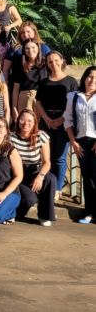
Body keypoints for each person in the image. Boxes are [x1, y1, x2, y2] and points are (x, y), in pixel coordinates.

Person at [35, 51, 77, 197]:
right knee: (46, 157)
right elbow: (38, 103)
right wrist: (46, 119)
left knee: (59, 157)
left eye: (56, 60)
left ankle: (57, 189)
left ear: (62, 60)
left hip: (64, 123)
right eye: (50, 61)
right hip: (46, 122)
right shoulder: (43, 82)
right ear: (47, 64)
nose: (54, 63)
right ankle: (46, 186)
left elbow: (74, 104)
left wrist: (61, 119)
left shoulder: (71, 82)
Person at [10, 109, 57, 226]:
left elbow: (47, 162)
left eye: (29, 120)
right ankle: (14, 212)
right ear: (17, 121)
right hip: (18, 173)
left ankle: (45, 215)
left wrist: (40, 177)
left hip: (34, 170)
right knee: (30, 199)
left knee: (50, 179)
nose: (26, 123)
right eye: (22, 120)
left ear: (35, 122)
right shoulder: (11, 137)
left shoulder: (41, 136)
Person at [64, 66, 96, 224]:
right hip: (81, 142)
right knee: (87, 177)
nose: (92, 80)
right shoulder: (74, 97)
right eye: (90, 76)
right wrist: (73, 142)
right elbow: (68, 121)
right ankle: (89, 212)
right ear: (84, 78)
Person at [11, 39, 47, 122]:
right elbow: (16, 89)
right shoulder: (20, 65)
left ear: (38, 48)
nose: (30, 50)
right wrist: (14, 108)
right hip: (24, 99)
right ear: (24, 50)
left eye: (33, 47)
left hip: (42, 99)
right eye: (27, 48)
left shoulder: (46, 63)